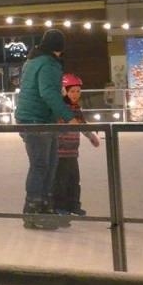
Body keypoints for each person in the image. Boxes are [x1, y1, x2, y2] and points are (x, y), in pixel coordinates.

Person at [14, 28, 79, 230]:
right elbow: (48, 93)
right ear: (59, 47)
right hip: (37, 120)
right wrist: (69, 117)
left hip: (36, 118)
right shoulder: (49, 63)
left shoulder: (33, 61)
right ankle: (33, 209)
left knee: (49, 164)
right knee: (42, 165)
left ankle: (43, 206)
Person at [51, 74, 99, 218]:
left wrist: (91, 137)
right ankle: (60, 206)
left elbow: (82, 125)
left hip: (72, 151)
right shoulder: (59, 108)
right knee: (61, 181)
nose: (75, 94)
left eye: (78, 91)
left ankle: (74, 205)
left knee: (74, 180)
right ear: (64, 91)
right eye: (72, 91)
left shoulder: (76, 108)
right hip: (60, 152)